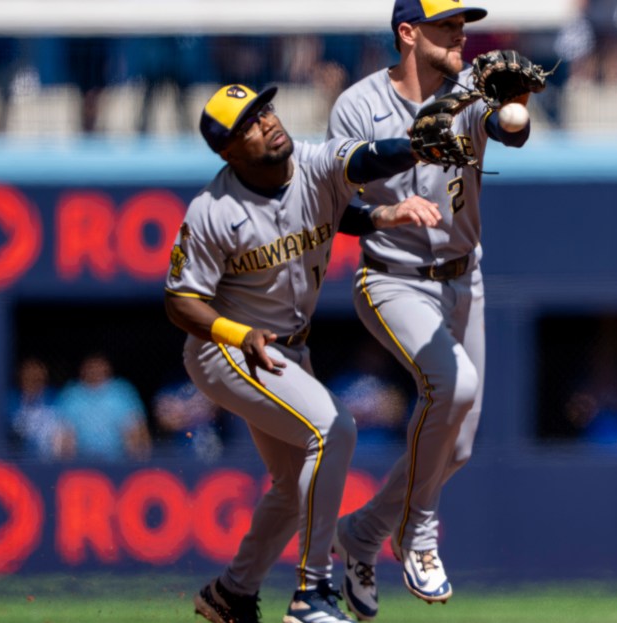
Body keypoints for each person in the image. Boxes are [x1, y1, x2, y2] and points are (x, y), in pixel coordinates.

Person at [164, 83, 441, 623]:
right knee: (334, 428)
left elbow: (358, 167)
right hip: (228, 349)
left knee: (296, 489)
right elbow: (180, 301)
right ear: (227, 151)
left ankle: (232, 594)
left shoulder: (310, 163)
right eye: (248, 122)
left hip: (290, 349)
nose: (266, 122)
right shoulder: (213, 210)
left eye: (264, 109)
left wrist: (410, 155)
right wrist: (236, 334)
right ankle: (312, 592)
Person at [325, 0, 538, 617]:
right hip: (394, 279)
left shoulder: (471, 89)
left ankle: (362, 534)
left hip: (462, 277)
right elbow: (329, 202)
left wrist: (515, 108)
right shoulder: (359, 104)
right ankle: (418, 532)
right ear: (408, 34)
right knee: (456, 384)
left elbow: (511, 131)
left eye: (462, 25)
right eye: (446, 26)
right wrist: (384, 207)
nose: (460, 35)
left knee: (460, 445)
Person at [55, 352, 151, 461]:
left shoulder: (122, 391)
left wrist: (140, 460)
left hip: (119, 460)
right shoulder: (71, 394)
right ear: (82, 369)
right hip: (80, 461)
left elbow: (138, 427)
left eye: (99, 366)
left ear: (108, 368)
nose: (95, 370)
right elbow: (63, 431)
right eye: (91, 367)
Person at [8, 357, 74, 460]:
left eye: (37, 372)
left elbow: (66, 429)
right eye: (28, 372)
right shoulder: (10, 401)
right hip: (19, 460)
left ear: (44, 375)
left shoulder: (56, 397)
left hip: (51, 461)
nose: (33, 376)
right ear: (20, 375)